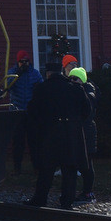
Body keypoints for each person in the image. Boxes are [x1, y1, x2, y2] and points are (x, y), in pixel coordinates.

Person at [25, 61, 91, 209]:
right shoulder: (76, 88)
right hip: (71, 134)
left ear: (48, 73)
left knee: (46, 169)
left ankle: (40, 198)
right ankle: (67, 201)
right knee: (70, 168)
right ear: (61, 72)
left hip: (50, 133)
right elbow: (86, 111)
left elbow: (32, 112)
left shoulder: (42, 89)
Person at [6, 50, 43, 173]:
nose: (25, 64)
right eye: (22, 61)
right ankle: (17, 168)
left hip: (31, 112)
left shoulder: (35, 74)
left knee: (34, 141)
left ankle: (36, 167)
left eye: (27, 61)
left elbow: (41, 88)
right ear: (18, 62)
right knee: (18, 142)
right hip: (17, 112)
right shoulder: (12, 73)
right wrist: (18, 74)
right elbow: (7, 86)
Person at [68, 67, 98, 204]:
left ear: (82, 79)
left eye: (75, 78)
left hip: (87, 131)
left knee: (87, 164)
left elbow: (87, 110)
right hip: (78, 130)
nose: (72, 81)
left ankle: (88, 192)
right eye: (71, 78)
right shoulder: (75, 92)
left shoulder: (89, 92)